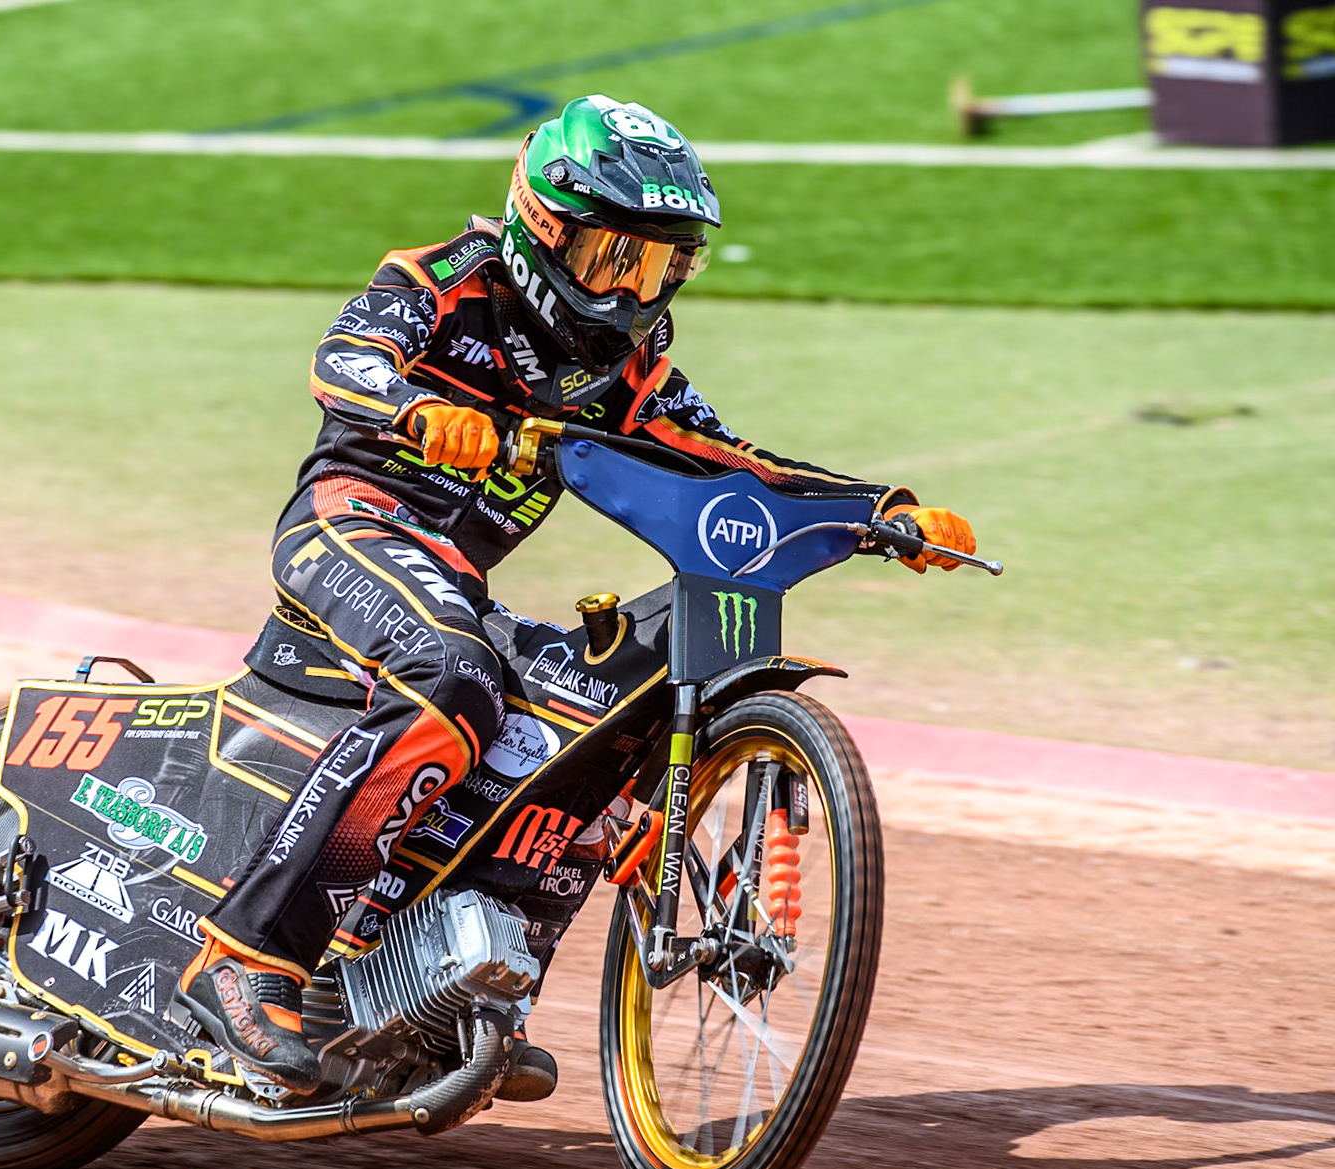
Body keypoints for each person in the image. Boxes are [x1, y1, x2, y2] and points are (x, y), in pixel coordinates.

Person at [175, 95, 975, 1094]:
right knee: (454, 676)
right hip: (349, 525)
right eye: (615, 257)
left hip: (454, 581)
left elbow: (731, 460)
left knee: (595, 708)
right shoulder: (439, 281)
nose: (634, 289)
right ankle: (244, 958)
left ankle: (449, 988)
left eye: (661, 265)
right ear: (541, 227)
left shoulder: (628, 369)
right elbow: (343, 363)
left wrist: (881, 510)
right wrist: (419, 409)